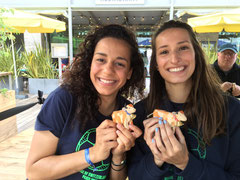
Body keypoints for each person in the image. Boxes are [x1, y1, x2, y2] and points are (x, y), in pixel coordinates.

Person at [26, 24, 145, 180]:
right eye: (101, 59)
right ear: (90, 64)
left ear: (129, 72)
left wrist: (118, 154)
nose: (108, 70)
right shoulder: (63, 100)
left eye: (120, 63)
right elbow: (34, 171)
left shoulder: (127, 112)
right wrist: (93, 154)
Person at [128, 20, 240, 180]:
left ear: (196, 54)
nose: (174, 59)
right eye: (164, 51)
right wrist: (156, 159)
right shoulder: (140, 114)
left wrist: (186, 163)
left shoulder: (232, 111)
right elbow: (134, 176)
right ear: (156, 64)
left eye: (183, 48)